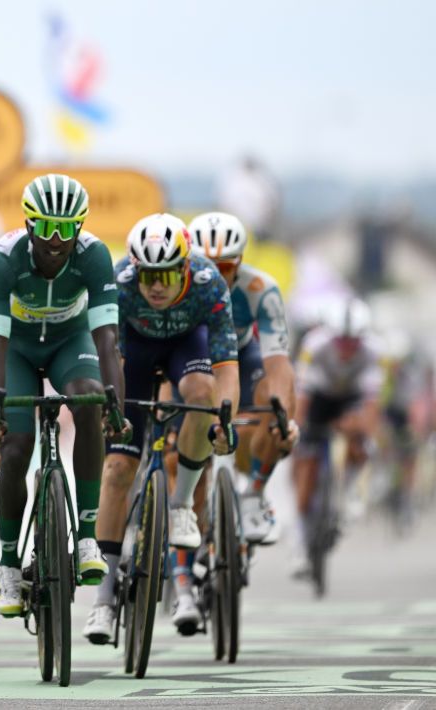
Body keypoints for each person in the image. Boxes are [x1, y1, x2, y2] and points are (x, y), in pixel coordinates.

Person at [84, 213, 239, 642]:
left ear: (185, 267)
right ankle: (104, 598)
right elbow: (100, 352)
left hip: (185, 349)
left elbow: (228, 366)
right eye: (148, 274)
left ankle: (181, 505)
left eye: (167, 274)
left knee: (202, 393)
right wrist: (105, 404)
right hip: (132, 355)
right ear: (136, 269)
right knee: (116, 471)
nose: (156, 284)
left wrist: (224, 421)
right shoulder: (119, 283)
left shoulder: (209, 283)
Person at [0, 174, 127, 618]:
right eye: (46, 227)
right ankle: (8, 567)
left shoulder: (95, 256)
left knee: (89, 397)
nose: (56, 240)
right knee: (17, 444)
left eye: (67, 229)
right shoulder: (4, 259)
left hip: (70, 343)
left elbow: (106, 340)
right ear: (29, 224)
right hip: (17, 351)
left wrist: (113, 403)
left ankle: (86, 536)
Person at [187, 212, 300, 544]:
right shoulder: (177, 286)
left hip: (242, 356)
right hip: (192, 358)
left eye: (223, 268)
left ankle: (254, 493)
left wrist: (281, 410)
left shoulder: (260, 289)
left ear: (239, 263)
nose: (214, 276)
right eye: (205, 265)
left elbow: (278, 361)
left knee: (279, 393)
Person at [290, 297, 381, 577]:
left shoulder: (375, 351)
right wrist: (296, 428)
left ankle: (351, 491)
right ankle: (301, 549)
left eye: (353, 341)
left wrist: (362, 432)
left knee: (361, 440)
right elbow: (302, 396)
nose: (347, 347)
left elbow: (371, 406)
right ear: (330, 335)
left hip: (351, 398)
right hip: (318, 396)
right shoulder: (314, 345)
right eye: (341, 340)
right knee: (305, 469)